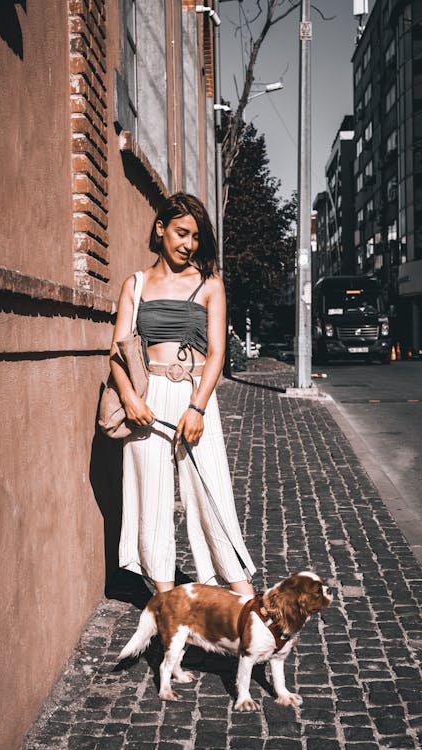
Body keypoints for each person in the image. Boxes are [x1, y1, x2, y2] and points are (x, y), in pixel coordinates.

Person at [110, 193, 255, 596]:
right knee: (150, 498)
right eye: (180, 233)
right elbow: (117, 350)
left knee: (211, 493)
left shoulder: (210, 286)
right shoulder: (135, 285)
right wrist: (130, 399)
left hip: (193, 396)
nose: (188, 244)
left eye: (195, 236)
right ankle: (167, 602)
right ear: (161, 229)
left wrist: (197, 407)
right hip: (148, 397)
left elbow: (217, 353)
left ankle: (244, 599)